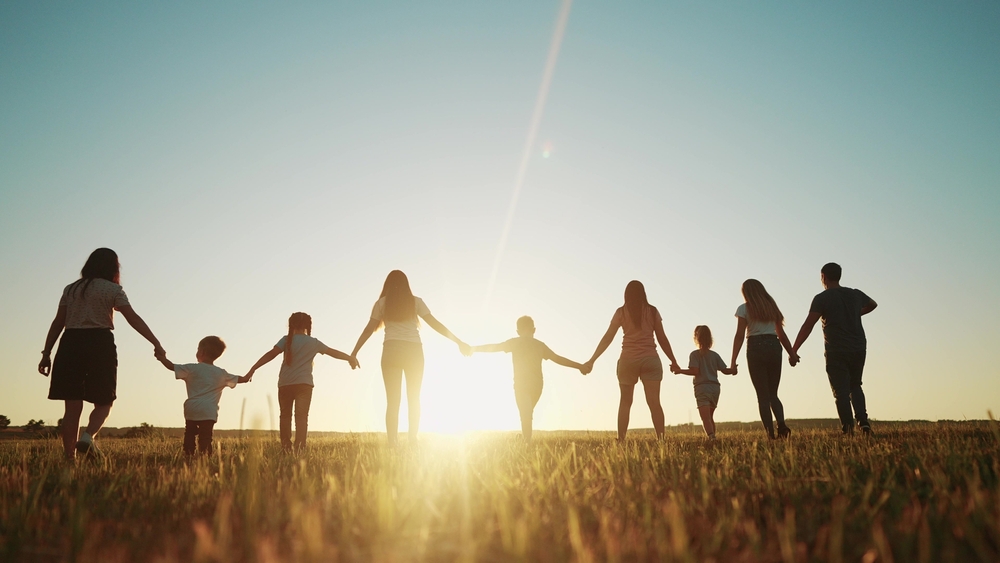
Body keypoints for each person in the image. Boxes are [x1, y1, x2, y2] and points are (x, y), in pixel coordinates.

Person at [37, 248, 165, 460]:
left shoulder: (71, 289)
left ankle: (70, 460)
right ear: (113, 267)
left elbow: (58, 322)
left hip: (70, 344)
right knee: (105, 400)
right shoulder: (113, 290)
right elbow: (133, 318)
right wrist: (156, 343)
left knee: (72, 407)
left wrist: (46, 352)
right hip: (99, 343)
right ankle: (88, 437)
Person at [350, 270, 470, 445]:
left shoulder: (381, 303)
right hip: (413, 351)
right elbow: (435, 324)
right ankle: (413, 438)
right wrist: (458, 341)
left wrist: (354, 353)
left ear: (387, 285)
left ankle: (392, 442)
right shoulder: (416, 302)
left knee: (393, 401)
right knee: (414, 398)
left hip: (391, 351)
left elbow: (369, 329)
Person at [582, 280, 680, 442]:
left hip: (628, 361)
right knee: (654, 403)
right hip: (651, 359)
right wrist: (673, 360)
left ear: (626, 294)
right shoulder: (652, 311)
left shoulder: (621, 312)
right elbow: (662, 338)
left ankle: (621, 439)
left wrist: (592, 360)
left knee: (625, 402)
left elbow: (608, 337)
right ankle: (661, 440)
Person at [247, 312, 357, 451]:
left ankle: (286, 446)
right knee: (302, 417)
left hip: (285, 384)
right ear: (307, 325)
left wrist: (253, 368)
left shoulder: (286, 340)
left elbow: (270, 354)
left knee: (285, 416)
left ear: (290, 324)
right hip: (304, 385)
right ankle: (300, 448)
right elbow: (333, 352)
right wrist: (350, 358)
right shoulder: (314, 342)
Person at [790, 263, 878, 435]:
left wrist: (794, 349)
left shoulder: (822, 298)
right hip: (859, 346)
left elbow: (808, 325)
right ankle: (863, 422)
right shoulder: (855, 294)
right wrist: (854, 313)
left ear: (823, 276)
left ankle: (848, 428)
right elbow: (873, 304)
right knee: (856, 384)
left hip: (836, 349)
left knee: (841, 391)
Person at [471, 316, 587, 442]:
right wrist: (579, 366)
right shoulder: (539, 345)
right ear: (534, 330)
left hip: (522, 385)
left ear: (517, 331)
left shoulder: (515, 342)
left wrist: (473, 348)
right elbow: (558, 359)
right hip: (537, 386)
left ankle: (526, 442)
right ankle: (525, 440)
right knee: (527, 414)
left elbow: (495, 347)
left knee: (526, 414)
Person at [156, 336, 251, 456]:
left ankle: (188, 455)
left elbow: (171, 366)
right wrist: (249, 375)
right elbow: (241, 379)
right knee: (205, 437)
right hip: (208, 410)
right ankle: (205, 458)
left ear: (201, 352)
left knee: (190, 433)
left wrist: (161, 358)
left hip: (192, 408)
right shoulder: (221, 373)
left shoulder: (192, 368)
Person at [729, 279, 797, 439]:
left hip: (755, 347)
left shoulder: (743, 309)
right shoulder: (771, 308)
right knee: (773, 393)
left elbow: (739, 336)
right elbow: (782, 335)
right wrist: (792, 354)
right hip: (774, 346)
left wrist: (733, 362)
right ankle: (782, 426)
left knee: (762, 396)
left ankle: (770, 435)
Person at [672, 326, 737, 440]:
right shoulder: (714, 355)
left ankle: (712, 438)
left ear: (696, 338)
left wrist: (679, 371)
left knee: (705, 417)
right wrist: (733, 370)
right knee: (710, 416)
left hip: (702, 387)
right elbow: (725, 370)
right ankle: (713, 437)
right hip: (715, 388)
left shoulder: (695, 354)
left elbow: (695, 371)